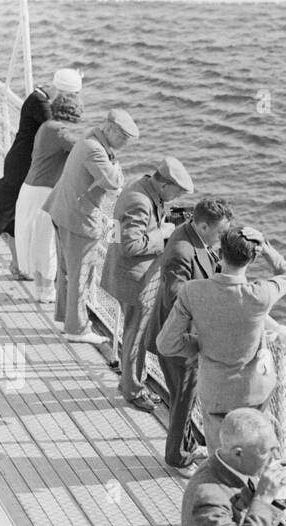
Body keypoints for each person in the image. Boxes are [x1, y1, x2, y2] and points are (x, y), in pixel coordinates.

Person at [155, 225, 286, 449]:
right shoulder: (260, 295)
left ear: (220, 253)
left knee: (219, 458)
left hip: (216, 391)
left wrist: (200, 345)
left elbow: (165, 343)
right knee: (256, 452)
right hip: (254, 393)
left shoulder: (193, 291)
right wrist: (266, 249)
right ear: (252, 259)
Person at [144, 196, 235, 471]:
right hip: (178, 340)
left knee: (184, 397)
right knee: (184, 399)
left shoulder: (192, 236)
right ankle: (178, 455)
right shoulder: (182, 252)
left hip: (180, 337)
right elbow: (177, 297)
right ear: (204, 227)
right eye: (220, 232)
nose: (222, 238)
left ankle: (187, 446)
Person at [101, 157, 194, 411]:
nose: (178, 197)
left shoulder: (140, 188)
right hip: (135, 281)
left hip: (123, 272)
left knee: (134, 334)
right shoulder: (140, 202)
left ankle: (131, 381)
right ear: (164, 185)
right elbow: (131, 245)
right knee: (136, 336)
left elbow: (117, 231)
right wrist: (162, 234)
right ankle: (131, 388)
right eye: (178, 191)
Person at [0, 68, 82, 278]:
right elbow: (61, 133)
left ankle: (20, 265)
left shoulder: (40, 96)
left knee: (16, 217)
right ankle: (22, 265)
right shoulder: (41, 104)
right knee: (11, 217)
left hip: (26, 163)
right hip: (24, 166)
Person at [45, 109, 138, 345]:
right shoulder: (96, 150)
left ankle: (66, 318)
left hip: (63, 211)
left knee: (67, 271)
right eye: (124, 138)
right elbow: (114, 182)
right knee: (80, 274)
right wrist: (116, 165)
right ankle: (77, 328)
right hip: (79, 220)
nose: (125, 145)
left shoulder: (89, 138)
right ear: (111, 130)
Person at [14, 91, 83, 302]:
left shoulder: (46, 127)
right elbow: (83, 150)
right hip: (44, 193)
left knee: (34, 241)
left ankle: (42, 290)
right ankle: (48, 293)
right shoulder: (60, 132)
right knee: (47, 243)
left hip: (30, 189)